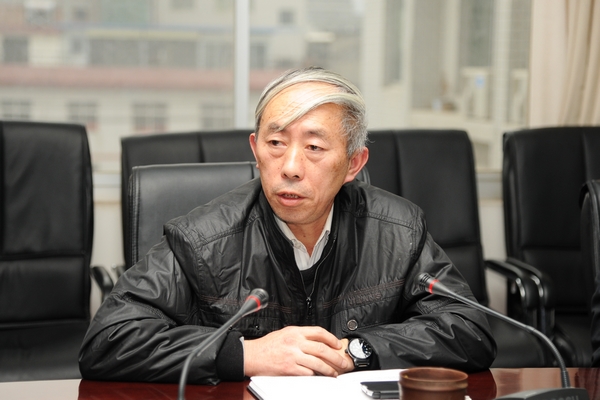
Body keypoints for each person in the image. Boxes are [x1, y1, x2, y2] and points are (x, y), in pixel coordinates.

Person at [79, 67, 496, 385]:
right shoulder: (203, 239)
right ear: (255, 149)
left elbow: (469, 329)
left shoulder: (397, 231)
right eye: (276, 143)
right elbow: (108, 340)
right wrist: (245, 354)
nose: (290, 167)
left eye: (314, 147)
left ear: (354, 163)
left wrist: (359, 351)